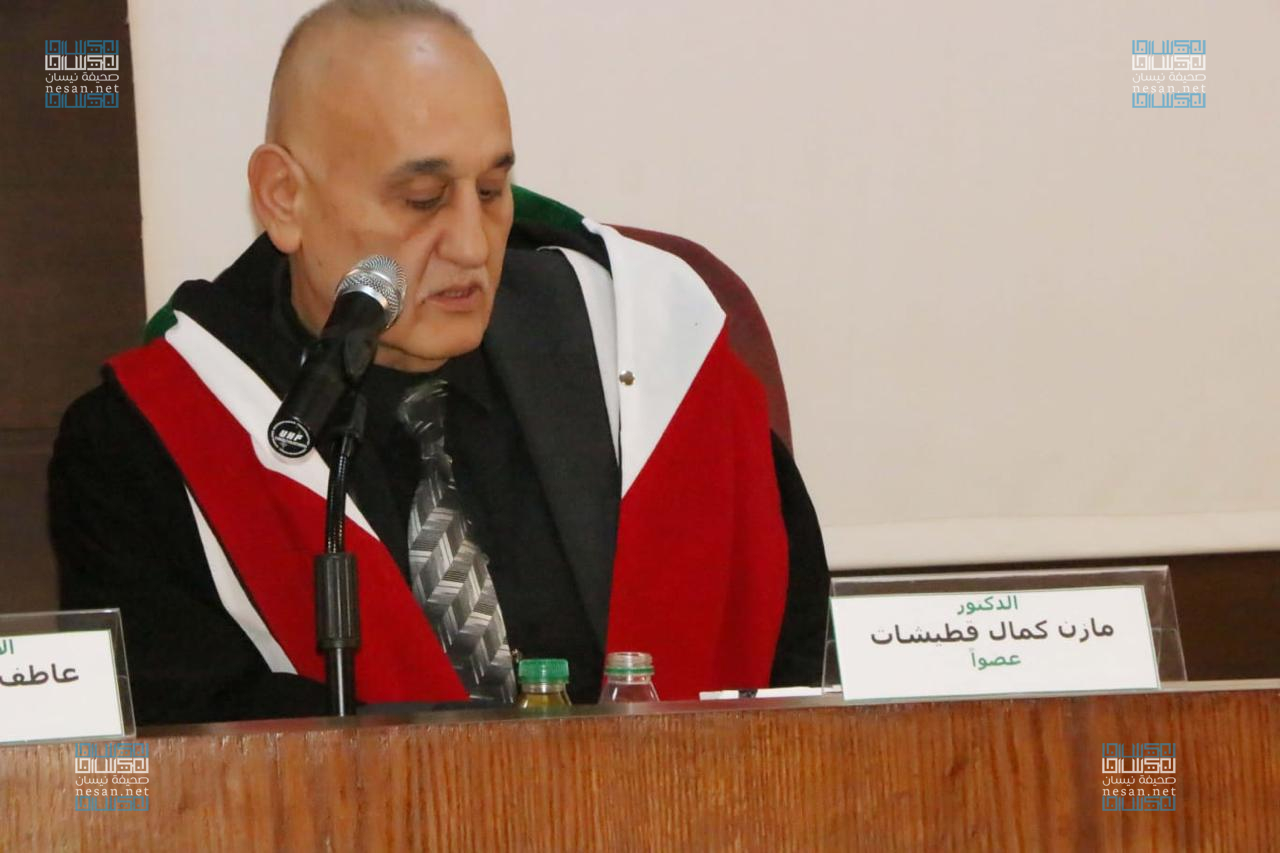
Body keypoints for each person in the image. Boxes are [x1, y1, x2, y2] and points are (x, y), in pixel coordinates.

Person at [49, 0, 829, 724]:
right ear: (284, 196)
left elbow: (799, 655)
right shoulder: (146, 448)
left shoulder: (639, 351)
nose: (469, 244)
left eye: (491, 190)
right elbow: (185, 757)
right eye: (422, 199)